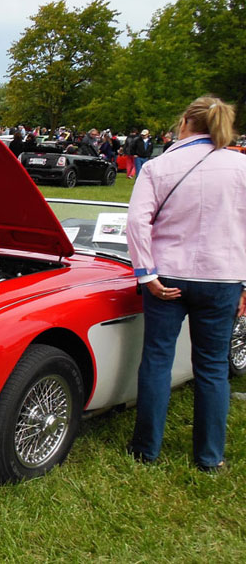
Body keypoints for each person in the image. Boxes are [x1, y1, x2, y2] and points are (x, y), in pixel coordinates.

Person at [126, 96, 246, 473]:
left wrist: (147, 274)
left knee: (157, 359)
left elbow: (136, 222)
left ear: (184, 124)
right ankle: (210, 456)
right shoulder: (241, 166)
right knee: (211, 367)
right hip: (222, 276)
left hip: (168, 274)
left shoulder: (160, 165)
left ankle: (146, 449)